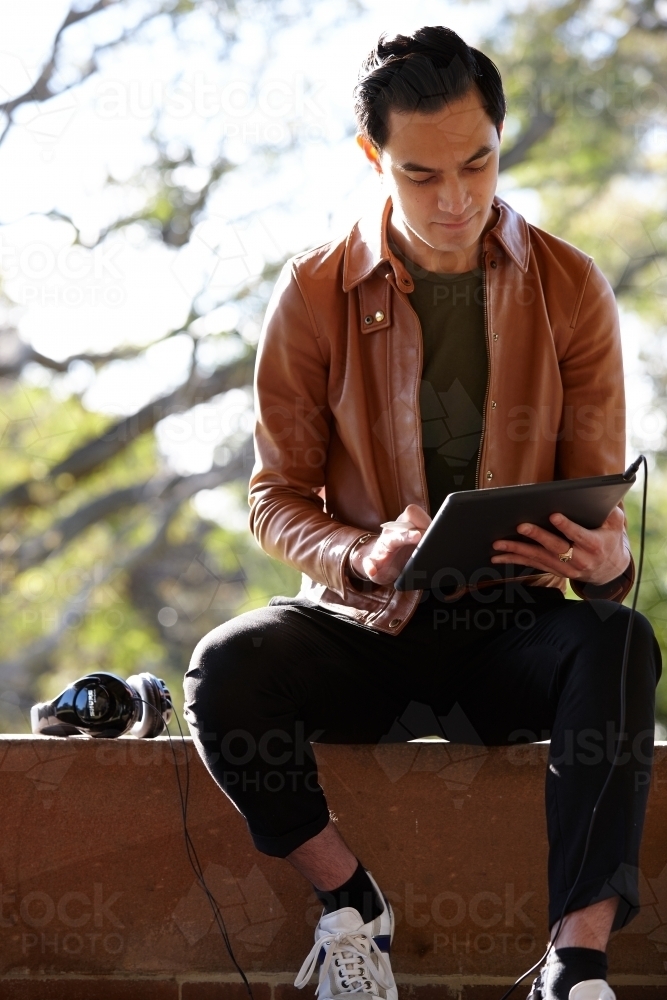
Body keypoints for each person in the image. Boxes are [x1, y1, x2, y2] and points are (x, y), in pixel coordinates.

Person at [183, 26, 661, 1000]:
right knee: (225, 667)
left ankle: (573, 969)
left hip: (511, 633)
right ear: (374, 160)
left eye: (477, 163)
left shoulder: (569, 285)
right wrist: (361, 555)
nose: (456, 200)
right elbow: (276, 500)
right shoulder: (314, 292)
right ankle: (351, 903)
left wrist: (604, 554)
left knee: (619, 640)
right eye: (421, 174)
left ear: (498, 138)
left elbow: (596, 510)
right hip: (367, 625)